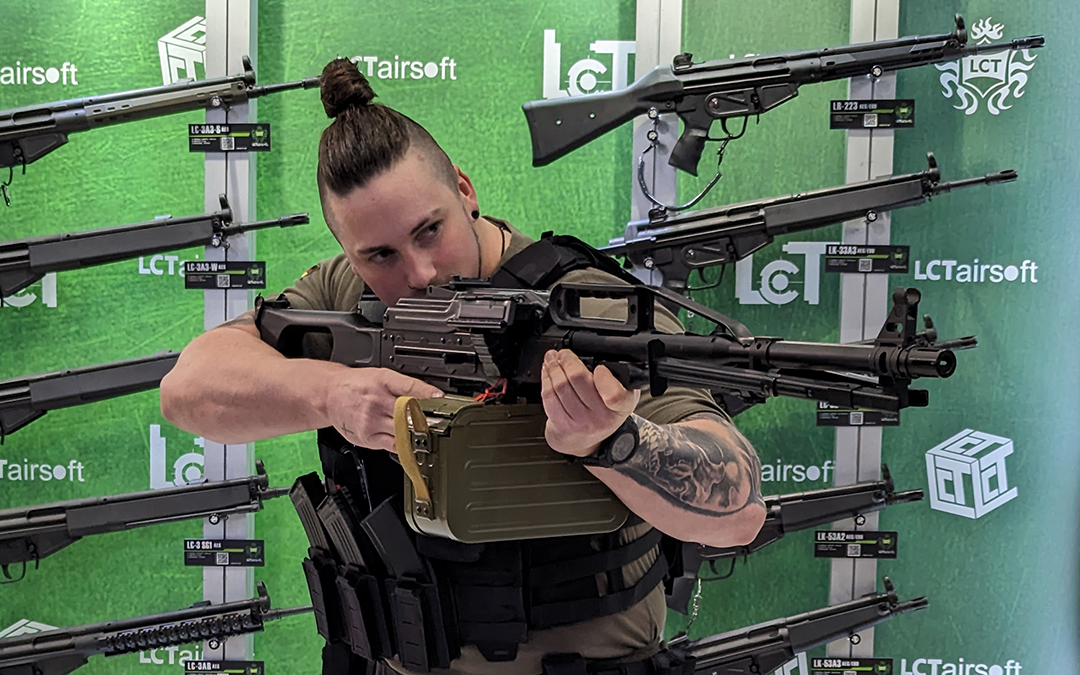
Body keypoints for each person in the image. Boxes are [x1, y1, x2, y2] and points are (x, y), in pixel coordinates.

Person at [160, 58, 765, 675]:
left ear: (465, 191)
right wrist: (331, 393)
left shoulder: (590, 311)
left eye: (430, 231)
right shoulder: (345, 291)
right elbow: (188, 389)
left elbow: (740, 512)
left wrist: (615, 441)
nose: (420, 272)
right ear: (346, 251)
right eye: (380, 255)